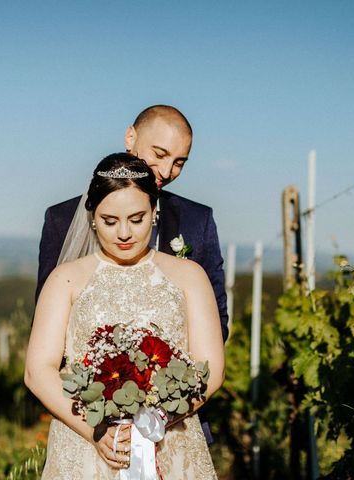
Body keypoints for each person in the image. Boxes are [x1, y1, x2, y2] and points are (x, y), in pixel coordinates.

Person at [25, 153, 225, 479]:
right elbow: (37, 370)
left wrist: (157, 420)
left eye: (136, 219)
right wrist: (96, 431)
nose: (123, 233)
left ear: (154, 212)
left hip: (169, 442)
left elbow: (211, 369)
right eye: (109, 220)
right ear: (92, 217)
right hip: (84, 444)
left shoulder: (190, 276)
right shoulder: (65, 279)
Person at [35, 105, 229, 343]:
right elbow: (46, 321)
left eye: (180, 162)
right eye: (159, 154)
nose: (167, 171)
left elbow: (218, 323)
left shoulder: (198, 221)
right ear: (130, 137)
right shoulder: (61, 219)